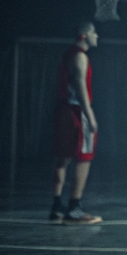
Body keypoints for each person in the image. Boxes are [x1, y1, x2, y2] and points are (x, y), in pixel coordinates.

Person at [50, 21, 103, 225]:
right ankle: (74, 209)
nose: (97, 36)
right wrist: (90, 115)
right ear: (84, 35)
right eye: (94, 33)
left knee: (62, 157)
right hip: (76, 110)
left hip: (63, 109)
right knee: (84, 157)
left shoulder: (68, 54)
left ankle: (57, 207)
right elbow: (80, 84)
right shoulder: (80, 56)